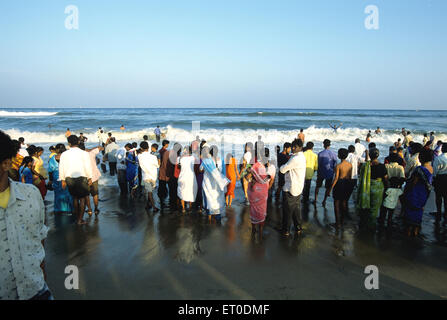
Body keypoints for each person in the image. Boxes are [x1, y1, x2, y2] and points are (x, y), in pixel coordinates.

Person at [0, 130, 53, 300]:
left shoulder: (30, 194)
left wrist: (41, 268)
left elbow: (39, 234)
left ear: (6, 164)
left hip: (37, 289)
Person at [59, 135, 93, 226]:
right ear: (78, 142)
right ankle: (80, 219)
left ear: (69, 143)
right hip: (81, 177)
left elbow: (61, 167)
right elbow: (88, 166)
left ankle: (77, 217)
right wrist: (90, 177)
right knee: (82, 199)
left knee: (75, 198)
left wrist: (62, 179)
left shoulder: (64, 154)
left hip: (69, 178)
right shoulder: (84, 153)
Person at [403, 149, 433, 237]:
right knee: (419, 212)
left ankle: (408, 233)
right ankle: (416, 232)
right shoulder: (431, 169)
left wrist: (406, 190)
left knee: (410, 212)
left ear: (421, 158)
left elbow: (413, 182)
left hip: (415, 193)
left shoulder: (419, 169)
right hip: (424, 194)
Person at [357, 148, 388, 230]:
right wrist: (386, 189)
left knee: (365, 206)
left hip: (365, 188)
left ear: (370, 155)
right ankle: (371, 225)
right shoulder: (381, 166)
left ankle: (363, 223)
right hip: (377, 188)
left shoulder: (365, 165)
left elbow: (360, 174)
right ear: (378, 155)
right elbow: (385, 178)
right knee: (374, 208)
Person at [280, 139, 306, 236]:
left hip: (290, 187)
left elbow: (282, 170)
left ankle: (286, 230)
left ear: (300, 147)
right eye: (292, 146)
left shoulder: (295, 158)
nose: (293, 148)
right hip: (298, 187)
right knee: (296, 209)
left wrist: (283, 166)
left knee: (287, 211)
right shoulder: (301, 156)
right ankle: (298, 228)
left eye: (295, 147)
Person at [246, 148, 271, 239]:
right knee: (261, 210)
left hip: (252, 192)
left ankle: (253, 229)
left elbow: (246, 177)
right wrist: (269, 176)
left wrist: (252, 179)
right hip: (260, 193)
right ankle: (260, 231)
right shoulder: (260, 166)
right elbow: (263, 180)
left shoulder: (252, 165)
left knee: (253, 209)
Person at [200, 146, 229, 222]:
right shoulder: (221, 160)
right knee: (217, 199)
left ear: (210, 152)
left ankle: (209, 219)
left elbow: (200, 169)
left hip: (208, 183)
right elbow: (224, 173)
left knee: (209, 199)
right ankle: (218, 217)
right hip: (218, 184)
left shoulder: (206, 161)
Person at [380, 153, 405, 227]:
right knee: (392, 205)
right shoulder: (400, 168)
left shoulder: (386, 166)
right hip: (396, 187)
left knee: (383, 203)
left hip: (386, 186)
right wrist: (399, 185)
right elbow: (402, 178)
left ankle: (382, 219)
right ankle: (389, 220)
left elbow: (383, 177)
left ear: (389, 159)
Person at [330, 148, 353, 229]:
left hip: (339, 183)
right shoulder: (350, 165)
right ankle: (342, 221)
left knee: (336, 203)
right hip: (347, 183)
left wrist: (330, 188)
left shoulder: (338, 166)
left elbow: (336, 178)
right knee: (344, 202)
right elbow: (350, 177)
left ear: (339, 156)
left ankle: (337, 223)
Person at [48, 144, 73, 214]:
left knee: (58, 194)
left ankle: (59, 210)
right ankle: (69, 209)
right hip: (67, 176)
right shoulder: (68, 157)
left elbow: (50, 170)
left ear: (57, 150)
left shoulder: (53, 158)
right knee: (68, 193)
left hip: (56, 177)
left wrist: (50, 180)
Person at [138, 142, 160, 212]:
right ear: (148, 147)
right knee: (150, 191)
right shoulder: (153, 157)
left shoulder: (139, 156)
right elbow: (157, 166)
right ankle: (152, 206)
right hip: (153, 176)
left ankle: (151, 206)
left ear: (141, 148)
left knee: (149, 192)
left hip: (146, 176)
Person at [315, 139, 337, 207]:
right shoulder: (334, 154)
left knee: (318, 186)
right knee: (327, 187)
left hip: (321, 172)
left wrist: (318, 173)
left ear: (323, 144)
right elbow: (335, 165)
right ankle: (324, 201)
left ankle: (315, 200)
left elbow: (319, 164)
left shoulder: (320, 154)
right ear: (329, 145)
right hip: (330, 173)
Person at [84, 145, 103, 216]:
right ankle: (96, 209)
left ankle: (89, 210)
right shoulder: (91, 153)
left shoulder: (79, 156)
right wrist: (90, 149)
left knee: (86, 195)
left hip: (85, 177)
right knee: (95, 194)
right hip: (94, 176)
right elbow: (101, 147)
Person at [177, 146, 198, 213]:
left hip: (182, 176)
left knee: (182, 192)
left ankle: (183, 208)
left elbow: (178, 166)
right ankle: (190, 207)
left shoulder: (180, 158)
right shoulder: (193, 158)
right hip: (191, 177)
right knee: (190, 192)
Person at [433, 143, 447, 224]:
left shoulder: (438, 158)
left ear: (442, 149)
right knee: (446, 197)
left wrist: (433, 179)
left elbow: (435, 171)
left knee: (438, 196)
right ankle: (445, 213)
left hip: (440, 178)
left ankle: (438, 212)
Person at [158, 140, 170, 207]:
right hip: (165, 168)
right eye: (167, 144)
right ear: (166, 144)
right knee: (165, 180)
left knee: (161, 181)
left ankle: (161, 194)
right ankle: (164, 193)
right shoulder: (165, 152)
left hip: (161, 168)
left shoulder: (160, 151)